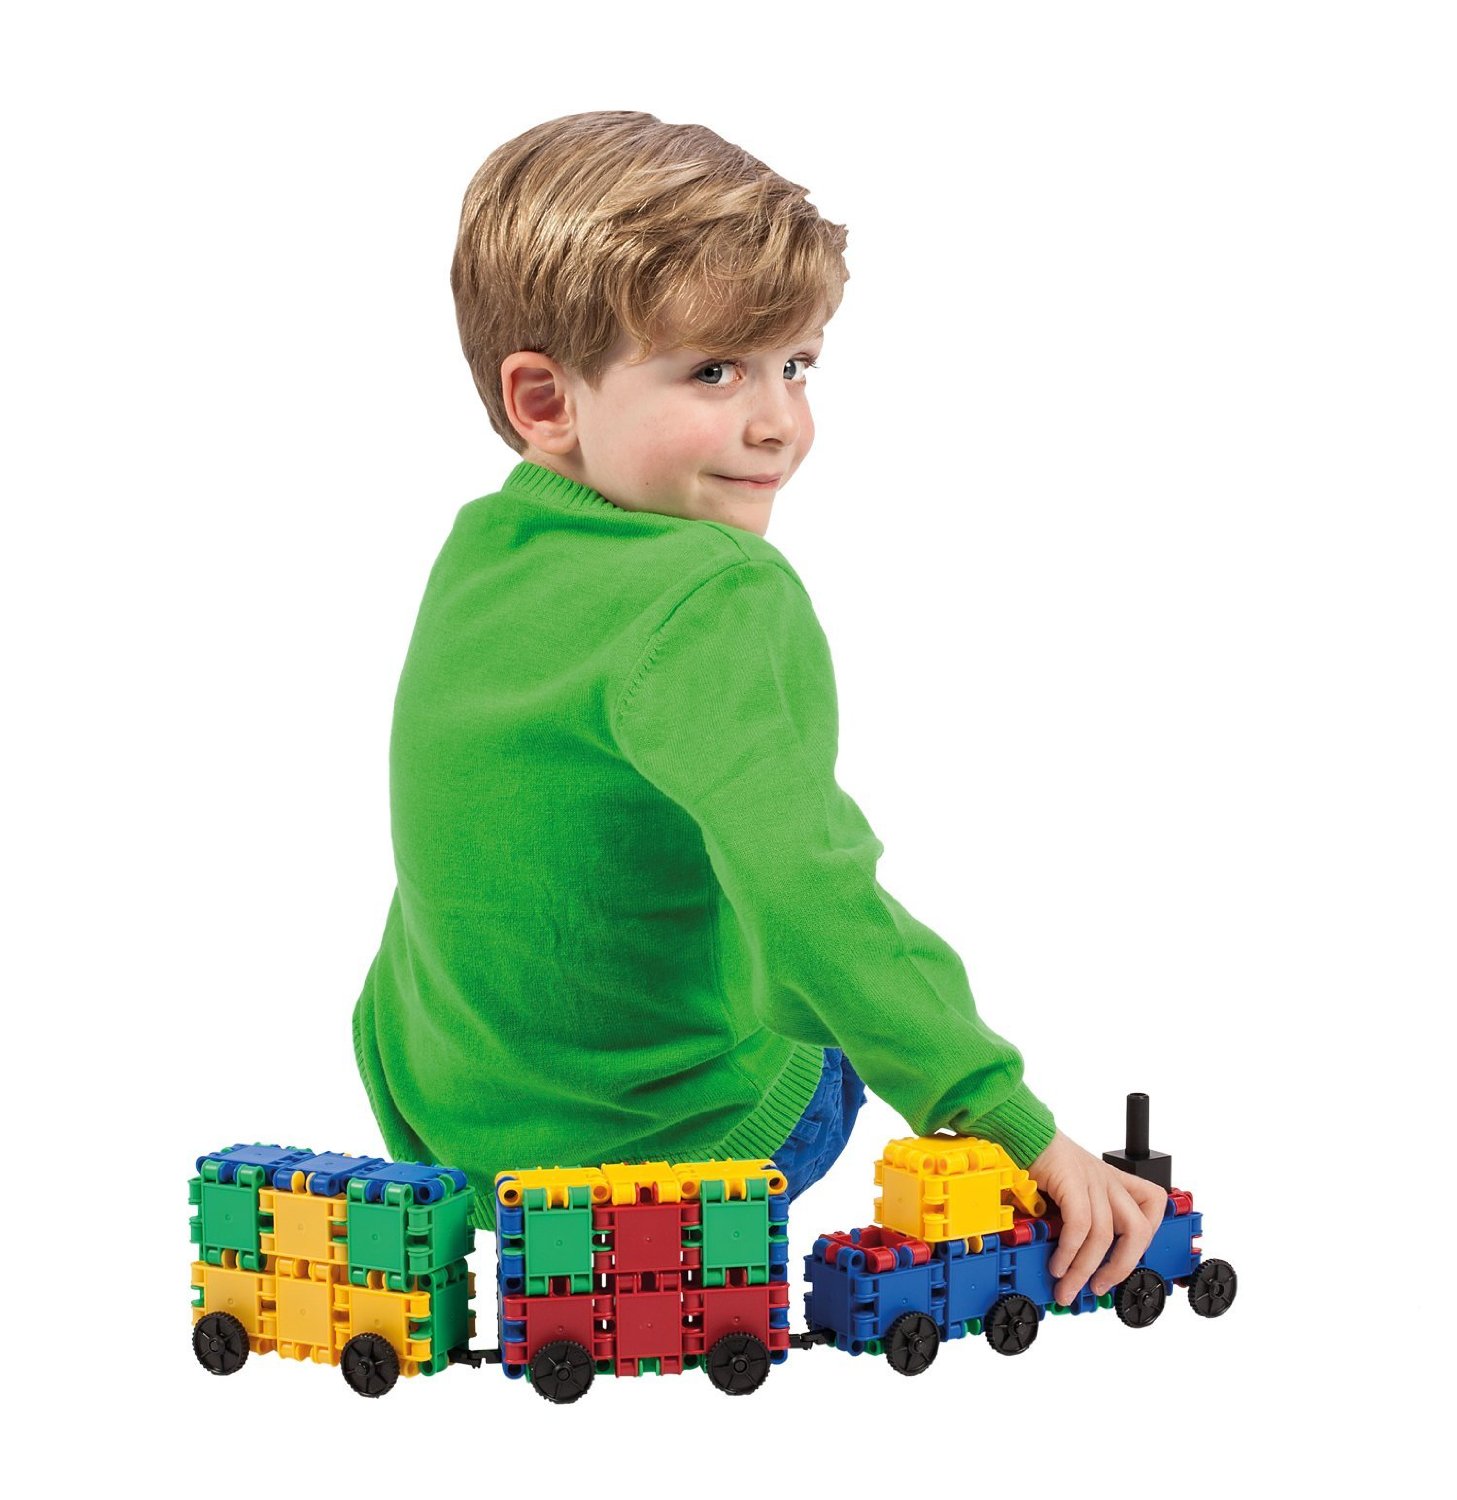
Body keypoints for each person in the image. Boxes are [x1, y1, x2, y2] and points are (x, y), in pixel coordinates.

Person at [352, 110, 1165, 1305]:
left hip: (452, 1128)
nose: (778, 420)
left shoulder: (484, 552)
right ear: (544, 400)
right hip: (675, 1155)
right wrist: (1006, 1118)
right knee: (832, 992)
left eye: (796, 365)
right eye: (712, 372)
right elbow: (808, 894)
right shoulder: (717, 589)